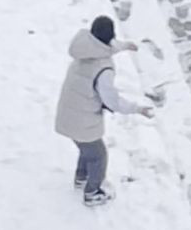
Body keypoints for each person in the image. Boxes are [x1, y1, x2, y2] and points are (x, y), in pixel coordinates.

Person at [53, 15, 152, 208]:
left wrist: (125, 46)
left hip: (68, 114)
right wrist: (137, 109)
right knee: (98, 156)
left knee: (86, 148)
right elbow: (112, 101)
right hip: (82, 120)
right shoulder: (103, 70)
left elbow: (105, 47)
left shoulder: (84, 50)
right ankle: (92, 192)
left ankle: (81, 178)